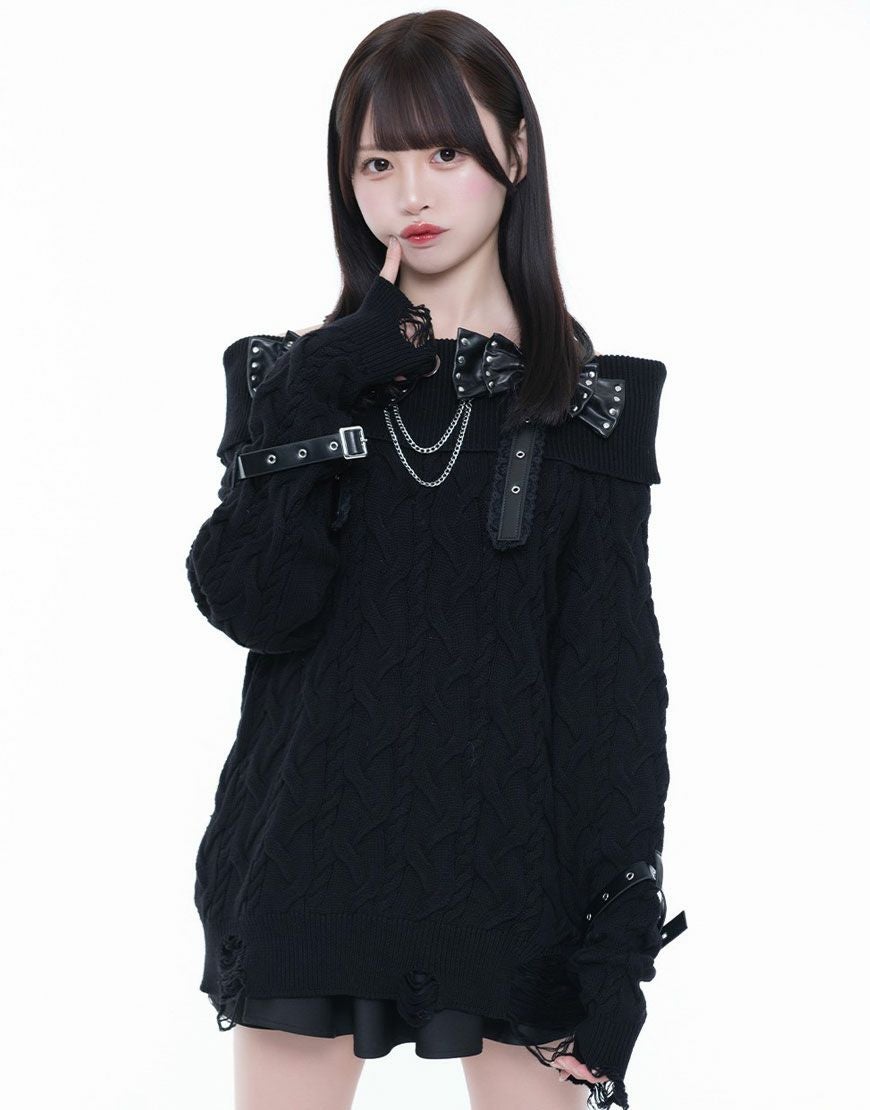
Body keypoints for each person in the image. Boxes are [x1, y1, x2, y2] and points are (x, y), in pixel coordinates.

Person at [185, 10, 686, 1110]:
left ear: (516, 150)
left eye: (445, 152)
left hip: (516, 883)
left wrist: (619, 933)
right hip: (309, 861)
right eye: (377, 162)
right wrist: (326, 378)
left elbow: (609, 690)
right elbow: (255, 604)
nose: (408, 194)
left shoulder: (592, 410)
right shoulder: (289, 378)